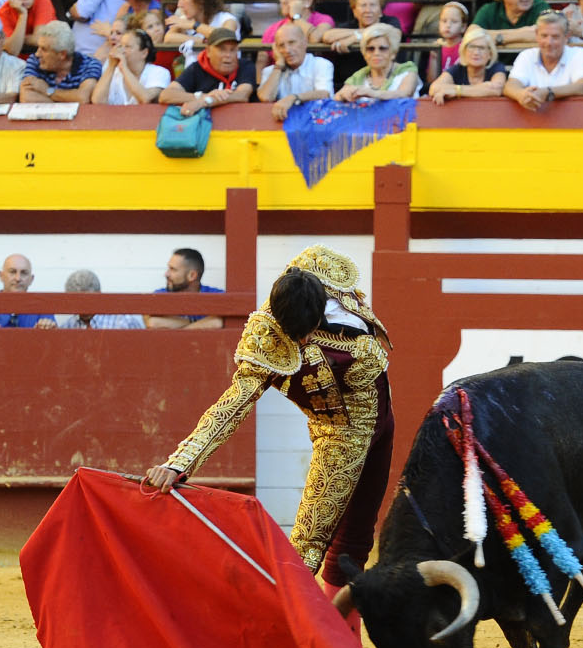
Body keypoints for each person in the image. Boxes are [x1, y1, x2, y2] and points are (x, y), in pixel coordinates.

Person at [145, 246, 395, 592]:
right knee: (308, 547)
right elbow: (232, 405)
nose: (303, 340)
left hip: (383, 417)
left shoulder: (323, 271)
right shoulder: (267, 338)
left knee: (357, 539)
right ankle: (279, 632)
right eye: (297, 335)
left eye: (307, 330)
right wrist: (179, 462)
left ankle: (342, 639)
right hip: (340, 433)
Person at [504, 11, 583, 109]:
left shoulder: (579, 54)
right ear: (537, 35)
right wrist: (521, 95)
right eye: (544, 36)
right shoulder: (526, 55)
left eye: (555, 37)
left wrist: (548, 92)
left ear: (566, 37)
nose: (549, 42)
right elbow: (510, 85)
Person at [258, 22, 334, 120]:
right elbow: (266, 98)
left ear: (305, 42)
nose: (287, 50)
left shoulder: (321, 64)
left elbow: (325, 94)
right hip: (281, 126)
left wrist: (293, 98)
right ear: (276, 49)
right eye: (281, 45)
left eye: (292, 42)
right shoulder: (270, 71)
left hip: (314, 122)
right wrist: (279, 66)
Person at [20, 20, 102, 103]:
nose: (38, 54)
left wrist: (47, 90)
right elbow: (26, 98)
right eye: (38, 47)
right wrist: (69, 101)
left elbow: (83, 98)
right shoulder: (35, 60)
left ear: (62, 54)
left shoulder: (90, 64)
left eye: (44, 49)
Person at [0, 254, 53, 329]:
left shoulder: (42, 308)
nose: (18, 278)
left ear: (31, 279)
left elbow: (52, 343)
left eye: (24, 273)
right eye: (12, 272)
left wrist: (43, 331)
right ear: (1, 276)